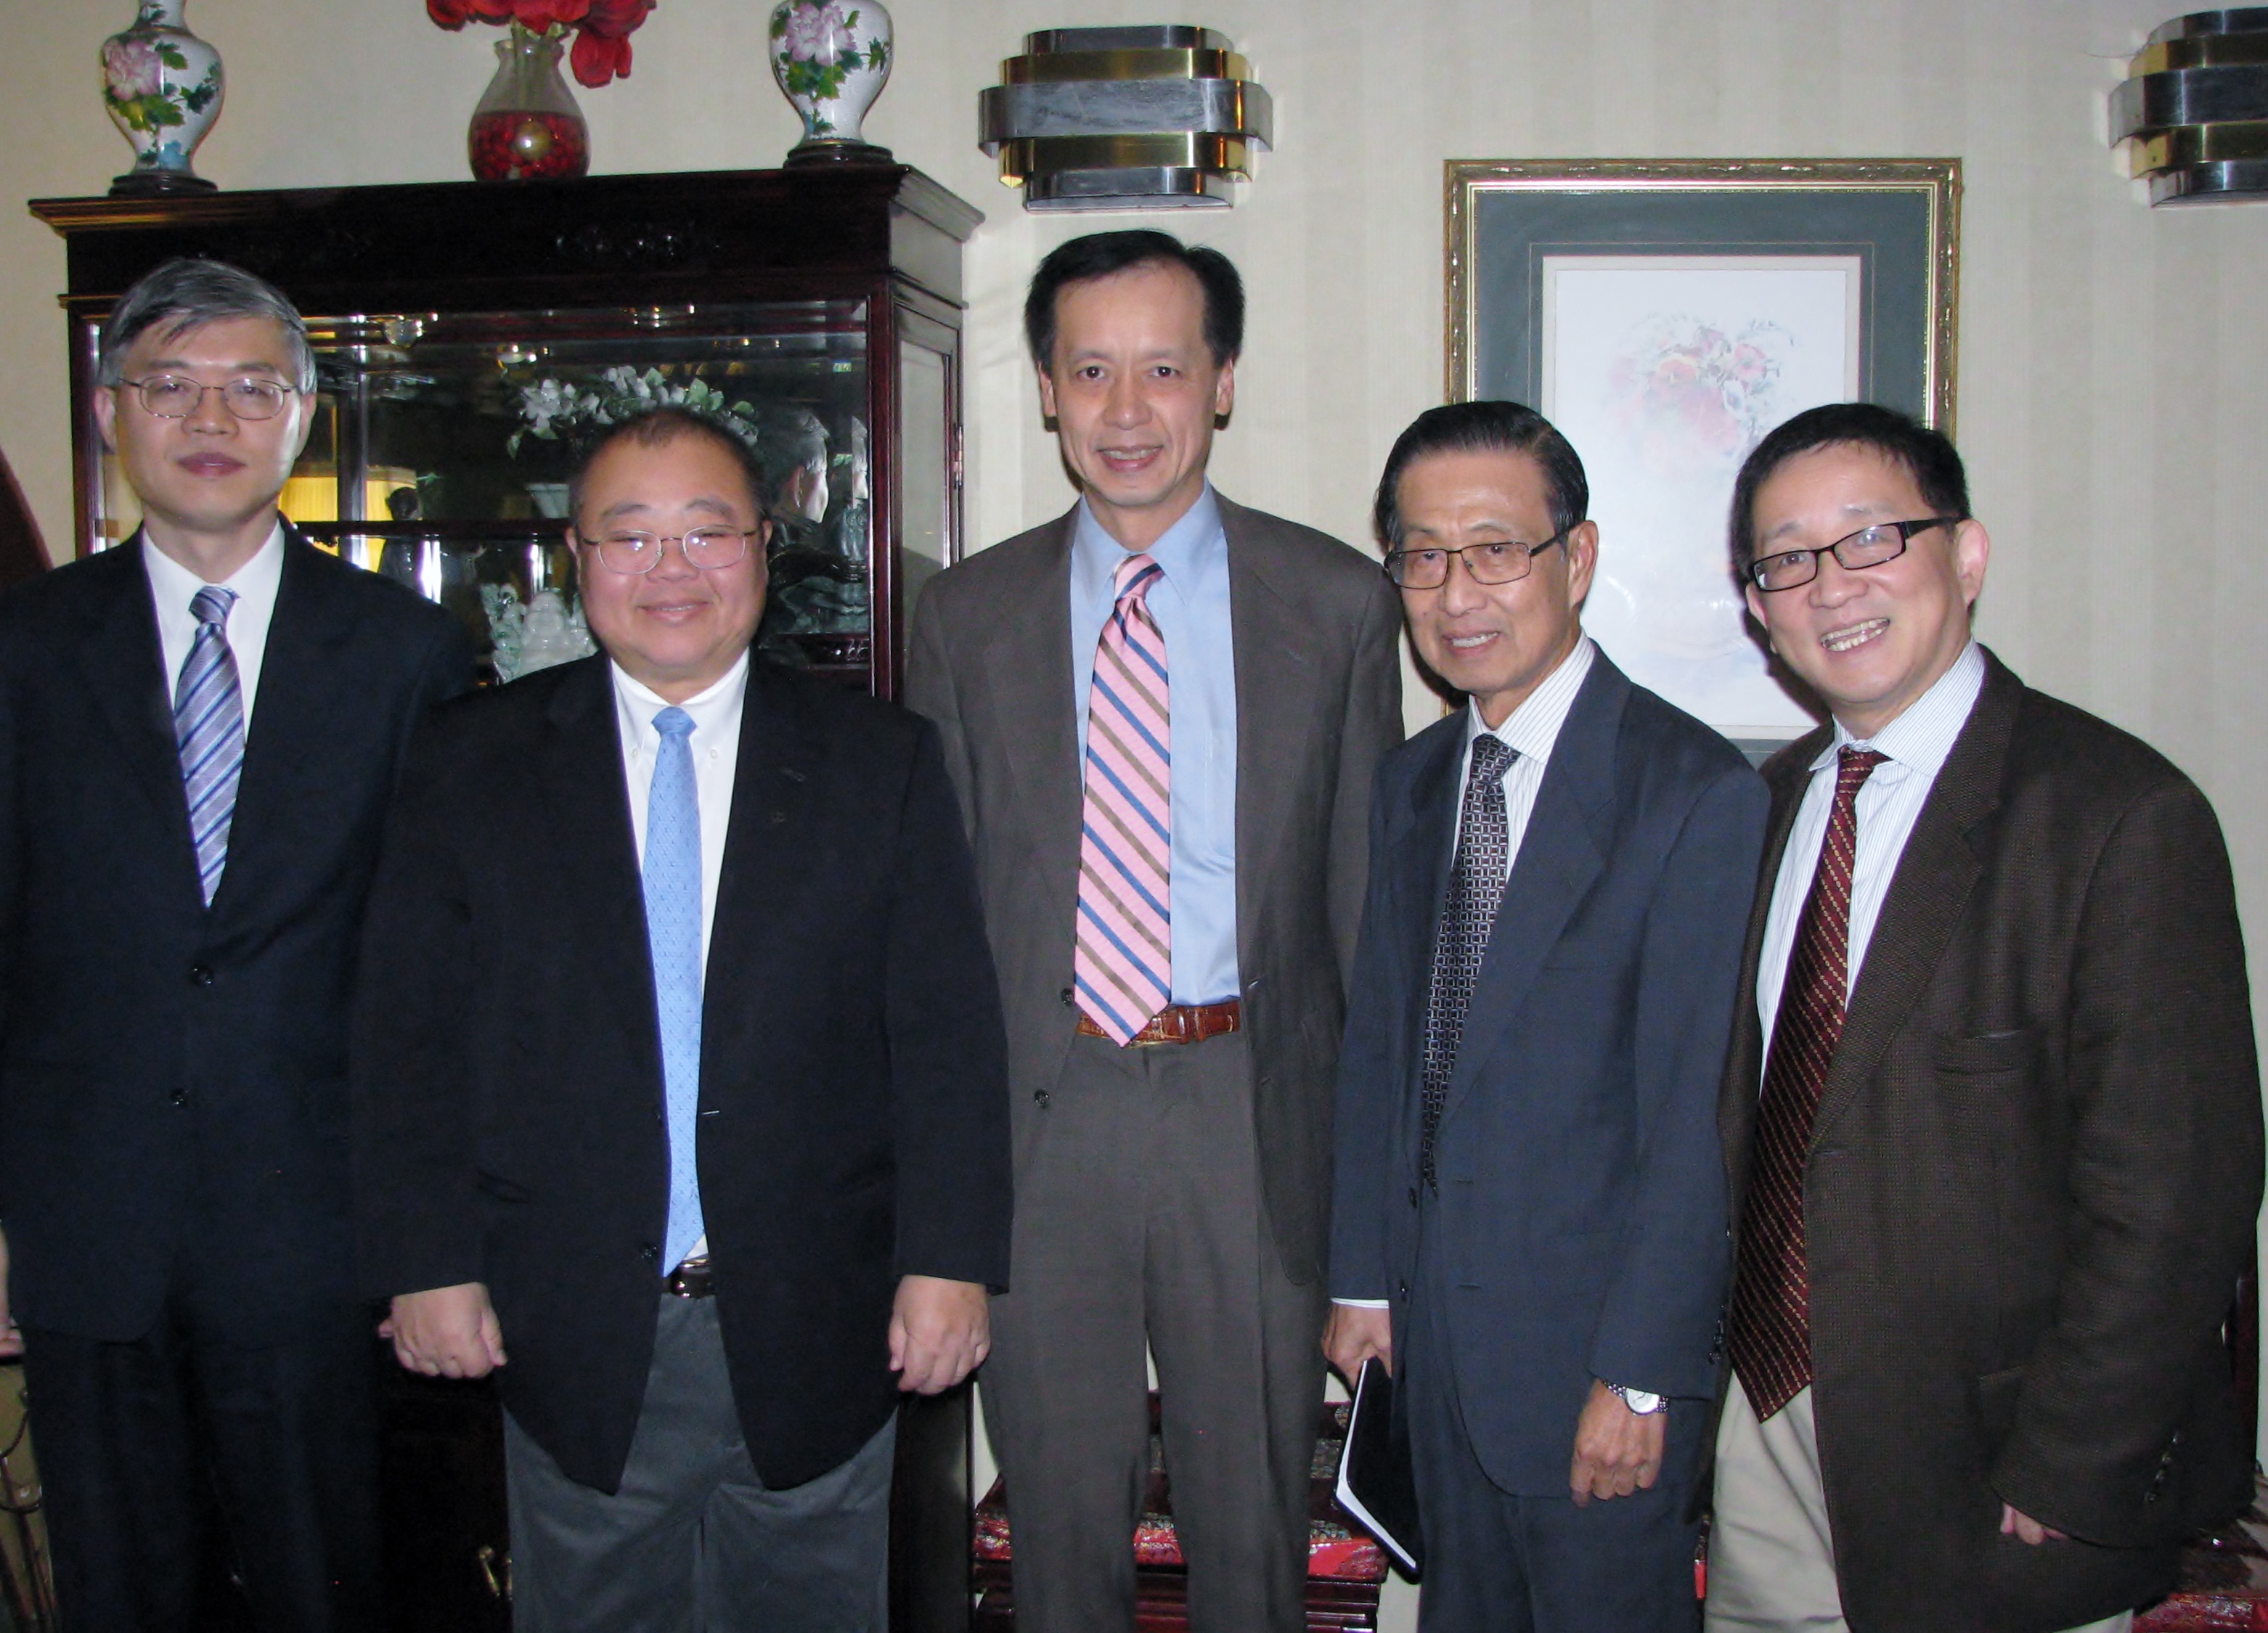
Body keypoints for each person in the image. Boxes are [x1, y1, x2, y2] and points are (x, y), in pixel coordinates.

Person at [351, 406, 1012, 1631]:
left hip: (825, 1320)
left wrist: (950, 1257)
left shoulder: (881, 761)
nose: (672, 569)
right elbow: (406, 1038)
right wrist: (426, 1259)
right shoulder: (473, 763)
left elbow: (945, 1036)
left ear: (766, 548)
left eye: (709, 532)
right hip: (567, 1326)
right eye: (631, 535)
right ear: (575, 558)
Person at [905, 230, 1403, 1633]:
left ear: (1224, 383)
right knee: (1057, 1524)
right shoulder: (966, 615)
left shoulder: (1339, 605)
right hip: (1040, 1114)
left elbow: (1367, 920)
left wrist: (1374, 1220)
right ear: (1051, 392)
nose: (1128, 410)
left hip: (1250, 1107)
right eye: (1092, 370)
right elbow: (935, 939)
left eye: (1165, 368)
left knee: (1256, 1527)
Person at [1705, 402, 2262, 1633]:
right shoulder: (1765, 804)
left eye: (1869, 538)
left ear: (1965, 555)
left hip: (1997, 1467)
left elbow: (2180, 1190)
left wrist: (2076, 1460)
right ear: (1757, 607)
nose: (1829, 584)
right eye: (1785, 558)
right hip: (1768, 1436)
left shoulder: (2117, 814)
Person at [0, 257, 473, 1629]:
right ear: (110, 412)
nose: (212, 416)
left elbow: (438, 970)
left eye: (251, 386)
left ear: (304, 420)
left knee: (325, 1586)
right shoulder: (23, 650)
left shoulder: (409, 652)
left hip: (320, 1233)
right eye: (172, 385)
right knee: (120, 1590)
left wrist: (436, 1232)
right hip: (89, 1231)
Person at [1326, 401, 1767, 1631]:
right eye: (1421, 555)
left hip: (1594, 1370)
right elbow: (1382, 1045)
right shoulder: (1415, 780)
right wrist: (1362, 1275)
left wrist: (1640, 1373)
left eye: (1493, 548)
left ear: (1575, 558)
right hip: (1433, 1348)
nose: (1455, 591)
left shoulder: (1691, 792)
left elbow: (1697, 1122)